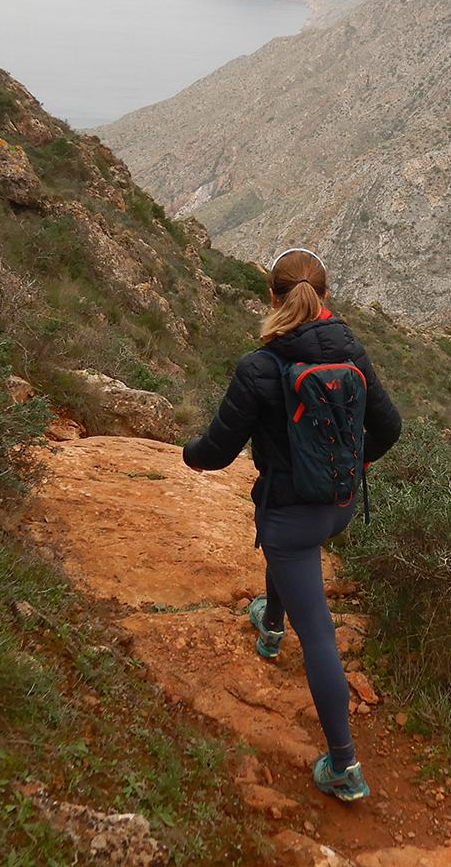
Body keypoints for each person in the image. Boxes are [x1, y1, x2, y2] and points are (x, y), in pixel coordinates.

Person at [183, 248, 401, 803]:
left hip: (291, 516)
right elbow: (389, 427)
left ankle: (344, 767)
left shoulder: (259, 367)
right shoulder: (351, 350)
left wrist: (185, 452)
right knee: (287, 548)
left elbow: (215, 453)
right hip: (341, 504)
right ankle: (271, 623)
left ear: (272, 297)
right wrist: (355, 463)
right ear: (325, 297)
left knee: (320, 630)